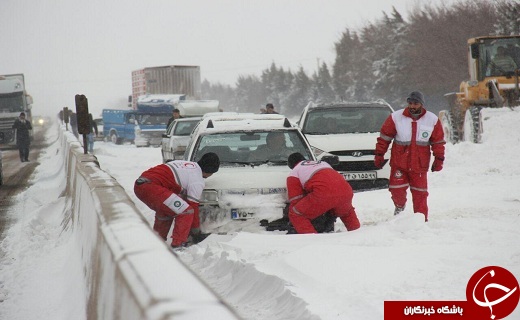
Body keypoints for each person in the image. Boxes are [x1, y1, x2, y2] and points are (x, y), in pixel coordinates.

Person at [374, 91, 445, 222]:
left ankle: (421, 219)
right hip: (399, 164)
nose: (412, 106)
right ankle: (399, 207)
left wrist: (439, 158)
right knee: (396, 190)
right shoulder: (396, 117)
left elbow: (438, 141)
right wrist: (379, 154)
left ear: (421, 104)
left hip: (419, 165)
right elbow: (384, 138)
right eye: (410, 103)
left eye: (416, 103)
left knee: (420, 194)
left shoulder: (432, 120)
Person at [134, 152, 220, 248]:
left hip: (140, 185)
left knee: (166, 211)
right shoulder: (197, 181)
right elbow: (193, 206)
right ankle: (178, 245)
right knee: (186, 211)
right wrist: (196, 231)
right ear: (210, 171)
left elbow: (169, 180)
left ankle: (158, 241)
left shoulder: (185, 164)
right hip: (152, 187)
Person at [286, 152, 360, 234]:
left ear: (291, 166)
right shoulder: (322, 163)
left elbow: (296, 199)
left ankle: (311, 239)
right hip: (346, 191)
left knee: (296, 213)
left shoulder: (294, 172)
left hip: (323, 194)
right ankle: (358, 234)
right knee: (346, 212)